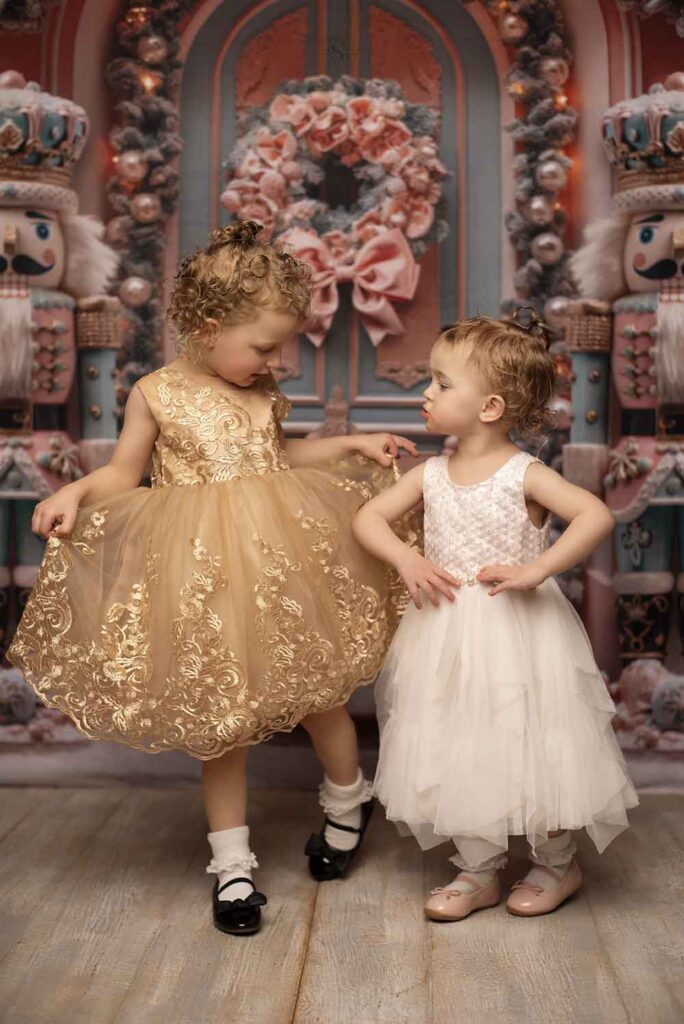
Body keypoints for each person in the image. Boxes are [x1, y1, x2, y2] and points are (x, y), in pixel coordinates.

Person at [8, 220, 418, 936]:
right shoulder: (157, 392)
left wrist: (351, 441)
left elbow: (280, 458)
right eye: (265, 347)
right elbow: (123, 475)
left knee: (319, 696)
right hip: (199, 577)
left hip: (277, 566)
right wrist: (73, 491)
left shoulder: (260, 390)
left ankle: (348, 798)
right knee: (219, 721)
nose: (276, 360)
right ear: (208, 328)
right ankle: (232, 865)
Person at [352, 311, 638, 921]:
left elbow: (595, 515)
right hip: (446, 632)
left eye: (441, 382)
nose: (426, 391)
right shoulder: (430, 474)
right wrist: (405, 558)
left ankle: (555, 863)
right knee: (460, 740)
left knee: (535, 739)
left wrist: (538, 568)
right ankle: (478, 867)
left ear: (489, 407)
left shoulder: (523, 474)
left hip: (520, 633)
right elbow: (367, 519)